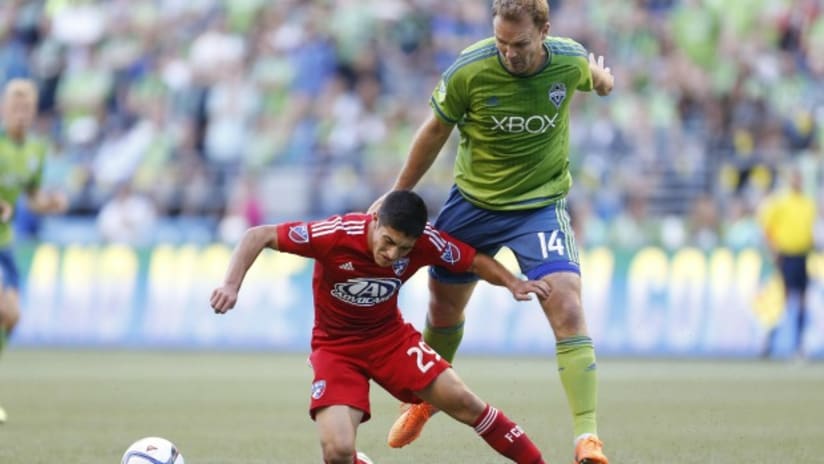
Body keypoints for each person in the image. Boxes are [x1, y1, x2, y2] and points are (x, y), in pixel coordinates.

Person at [372, 1, 614, 463]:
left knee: (565, 302)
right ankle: (424, 401)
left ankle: (587, 438)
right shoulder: (470, 70)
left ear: (544, 31)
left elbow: (594, 76)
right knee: (443, 308)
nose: (509, 54)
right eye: (501, 43)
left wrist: (605, 82)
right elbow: (433, 132)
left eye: (519, 44)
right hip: (473, 206)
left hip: (539, 207)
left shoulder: (566, 60)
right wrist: (396, 195)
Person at [210, 190, 551, 464]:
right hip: (336, 349)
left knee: (465, 403)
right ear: (374, 221)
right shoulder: (335, 234)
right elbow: (259, 235)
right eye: (387, 241)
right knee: (337, 452)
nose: (391, 254)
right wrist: (230, 285)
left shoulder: (427, 242)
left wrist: (512, 282)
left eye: (403, 248)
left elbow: (472, 259)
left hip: (390, 341)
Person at [0, 78, 68, 423]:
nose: (21, 114)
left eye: (27, 108)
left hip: (4, 242)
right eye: (15, 108)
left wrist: (50, 203)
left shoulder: (35, 150)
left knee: (12, 317)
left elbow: (31, 197)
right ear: (3, 110)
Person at [757, 166, 816, 359]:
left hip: (802, 256)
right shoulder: (780, 202)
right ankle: (769, 341)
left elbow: (811, 230)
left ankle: (798, 345)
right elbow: (767, 226)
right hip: (786, 255)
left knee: (801, 301)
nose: (797, 182)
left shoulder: (808, 203)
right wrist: (773, 249)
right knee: (782, 300)